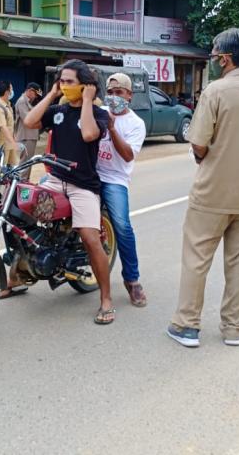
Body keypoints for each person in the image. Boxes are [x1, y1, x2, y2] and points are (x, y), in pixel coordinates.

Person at [167, 28, 239, 348]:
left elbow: (200, 143)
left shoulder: (216, 91)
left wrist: (212, 154)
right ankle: (234, 328)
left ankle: (187, 326)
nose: (216, 61)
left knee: (196, 260)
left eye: (217, 56)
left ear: (227, 57)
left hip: (212, 194)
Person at [23, 59, 114, 324]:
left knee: (89, 236)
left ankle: (106, 298)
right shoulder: (58, 109)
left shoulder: (98, 114)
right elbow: (29, 121)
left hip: (83, 186)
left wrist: (87, 100)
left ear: (86, 85)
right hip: (54, 179)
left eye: (69, 82)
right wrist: (52, 94)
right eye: (61, 81)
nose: (64, 85)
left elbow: (88, 135)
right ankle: (19, 277)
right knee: (20, 213)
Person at [97, 73, 148, 307]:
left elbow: (127, 155)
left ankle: (132, 280)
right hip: (90, 175)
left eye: (119, 93)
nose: (114, 97)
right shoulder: (97, 113)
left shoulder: (135, 123)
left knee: (122, 226)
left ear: (129, 95)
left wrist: (112, 129)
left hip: (115, 179)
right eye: (110, 92)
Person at [14, 82, 43, 179]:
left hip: (29, 136)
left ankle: (24, 182)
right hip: (26, 136)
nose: (35, 97)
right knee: (25, 163)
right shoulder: (22, 101)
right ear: (30, 91)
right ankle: (21, 183)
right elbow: (27, 119)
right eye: (35, 94)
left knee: (28, 162)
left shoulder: (27, 102)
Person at [0, 81, 20, 167]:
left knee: (12, 169)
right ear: (7, 92)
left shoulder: (8, 105)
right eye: (11, 89)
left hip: (10, 143)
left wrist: (13, 140)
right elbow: (3, 127)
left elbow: (10, 125)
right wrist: (14, 143)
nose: (12, 91)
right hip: (2, 144)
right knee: (0, 170)